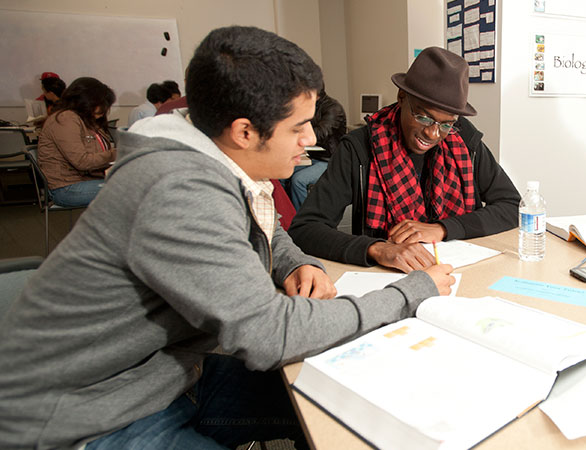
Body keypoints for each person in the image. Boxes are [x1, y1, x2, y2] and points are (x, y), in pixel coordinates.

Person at [0, 26, 454, 449]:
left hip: (170, 375)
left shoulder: (211, 154)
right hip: (89, 416)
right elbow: (269, 334)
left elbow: (271, 230)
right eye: (298, 127)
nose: (310, 138)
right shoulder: (178, 190)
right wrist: (410, 293)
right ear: (244, 131)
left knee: (349, 406)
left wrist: (297, 264)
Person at [289, 46, 520, 273]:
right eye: (423, 117)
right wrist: (376, 249)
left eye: (446, 124)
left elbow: (511, 206)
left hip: (460, 271)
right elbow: (305, 229)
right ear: (401, 98)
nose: (432, 133)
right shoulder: (359, 148)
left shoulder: (465, 140)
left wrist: (442, 228)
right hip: (387, 278)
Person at [36, 76, 117, 207]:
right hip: (66, 188)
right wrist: (117, 153)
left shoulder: (83, 118)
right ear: (86, 101)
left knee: (136, 185)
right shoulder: (66, 118)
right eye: (102, 103)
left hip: (82, 181)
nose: (104, 109)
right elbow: (82, 161)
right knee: (131, 189)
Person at [286, 92, 347, 210]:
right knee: (283, 177)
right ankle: (288, 215)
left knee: (298, 181)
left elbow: (321, 133)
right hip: (315, 157)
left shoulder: (333, 109)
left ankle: (303, 220)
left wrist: (298, 135)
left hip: (330, 160)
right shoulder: (313, 106)